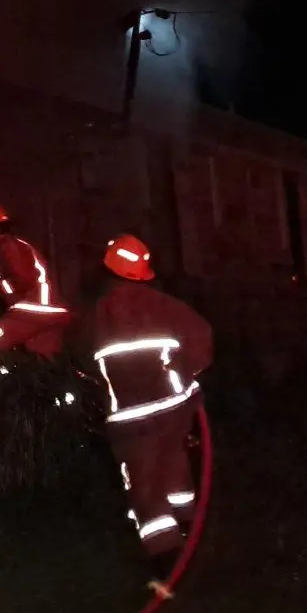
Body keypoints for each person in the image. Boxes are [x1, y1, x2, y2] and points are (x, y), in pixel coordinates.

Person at [79, 234, 213, 559]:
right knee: (175, 467)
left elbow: (82, 361)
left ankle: (165, 554)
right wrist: (182, 375)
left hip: (130, 419)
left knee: (144, 485)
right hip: (175, 409)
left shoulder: (98, 314)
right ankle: (190, 530)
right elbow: (202, 342)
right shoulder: (167, 305)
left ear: (108, 271)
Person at [0, 201, 71, 376]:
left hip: (32, 312)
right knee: (46, 370)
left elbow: (21, 280)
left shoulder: (6, 247)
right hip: (45, 313)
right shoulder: (15, 246)